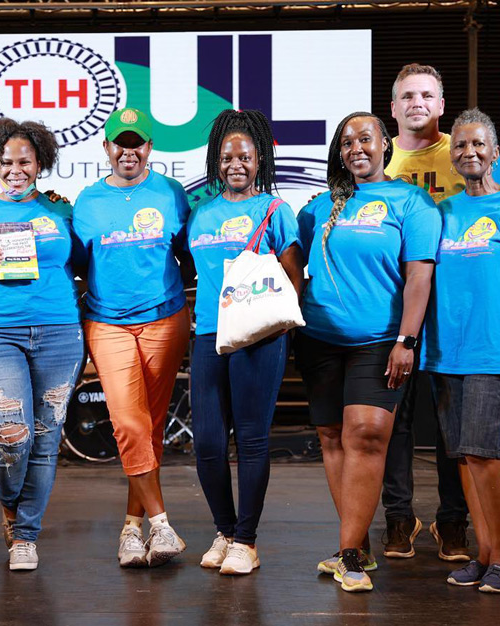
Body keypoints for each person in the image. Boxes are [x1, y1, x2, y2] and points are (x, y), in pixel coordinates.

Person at [295, 111, 440, 592]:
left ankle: (351, 553)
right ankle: (353, 543)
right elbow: (290, 261)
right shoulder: (318, 206)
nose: (356, 147)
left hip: (381, 342)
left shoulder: (412, 202)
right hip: (318, 340)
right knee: (333, 437)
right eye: (347, 141)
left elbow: (420, 275)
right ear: (339, 153)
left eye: (366, 138)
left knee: (368, 435)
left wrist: (407, 339)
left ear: (385, 146)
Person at [0, 118, 83, 572]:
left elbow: (85, 263)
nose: (14, 170)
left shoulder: (62, 213)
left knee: (46, 437)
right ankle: (11, 507)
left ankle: (25, 535)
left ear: (40, 163)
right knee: (13, 434)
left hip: (60, 334)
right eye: (5, 162)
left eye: (24, 161)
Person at [73, 108, 191, 568]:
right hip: (107, 322)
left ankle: (131, 529)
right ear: (106, 148)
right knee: (128, 423)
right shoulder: (87, 201)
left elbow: (187, 255)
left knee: (151, 427)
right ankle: (161, 523)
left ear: (149, 148)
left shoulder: (172, 194)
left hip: (165, 320)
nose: (128, 151)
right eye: (119, 143)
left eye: (137, 143)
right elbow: (80, 262)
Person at [187, 109, 303, 575]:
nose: (236, 164)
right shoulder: (200, 213)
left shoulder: (275, 210)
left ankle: (247, 542)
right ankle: (225, 531)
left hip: (258, 336)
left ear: (260, 161)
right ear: (216, 160)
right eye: (227, 156)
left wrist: (274, 332)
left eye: (246, 156)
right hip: (208, 334)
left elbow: (295, 276)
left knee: (252, 440)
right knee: (208, 444)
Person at [381, 63, 470, 561]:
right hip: (396, 311)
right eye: (407, 96)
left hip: (456, 311)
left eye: (427, 95)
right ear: (393, 108)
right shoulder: (377, 160)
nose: (417, 102)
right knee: (397, 419)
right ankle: (399, 517)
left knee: (454, 424)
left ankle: (452, 520)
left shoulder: (464, 152)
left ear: (441, 105)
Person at [422, 108, 500, 593]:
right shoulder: (443, 212)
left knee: (487, 458)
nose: (468, 152)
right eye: (461, 146)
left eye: (478, 145)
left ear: (495, 152)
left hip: (491, 352)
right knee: (465, 459)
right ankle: (485, 554)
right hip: (446, 353)